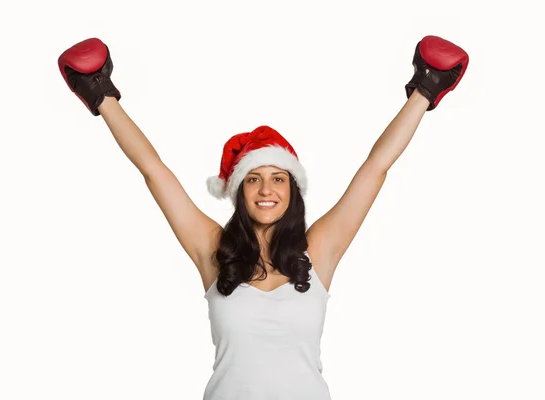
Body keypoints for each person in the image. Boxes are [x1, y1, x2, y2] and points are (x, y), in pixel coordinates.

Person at [58, 35, 469, 399]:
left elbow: (375, 168)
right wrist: (102, 97)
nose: (266, 189)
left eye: (277, 178)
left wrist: (424, 90)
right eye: (253, 179)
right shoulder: (213, 250)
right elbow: (154, 171)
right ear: (239, 191)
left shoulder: (319, 250)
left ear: (293, 190)